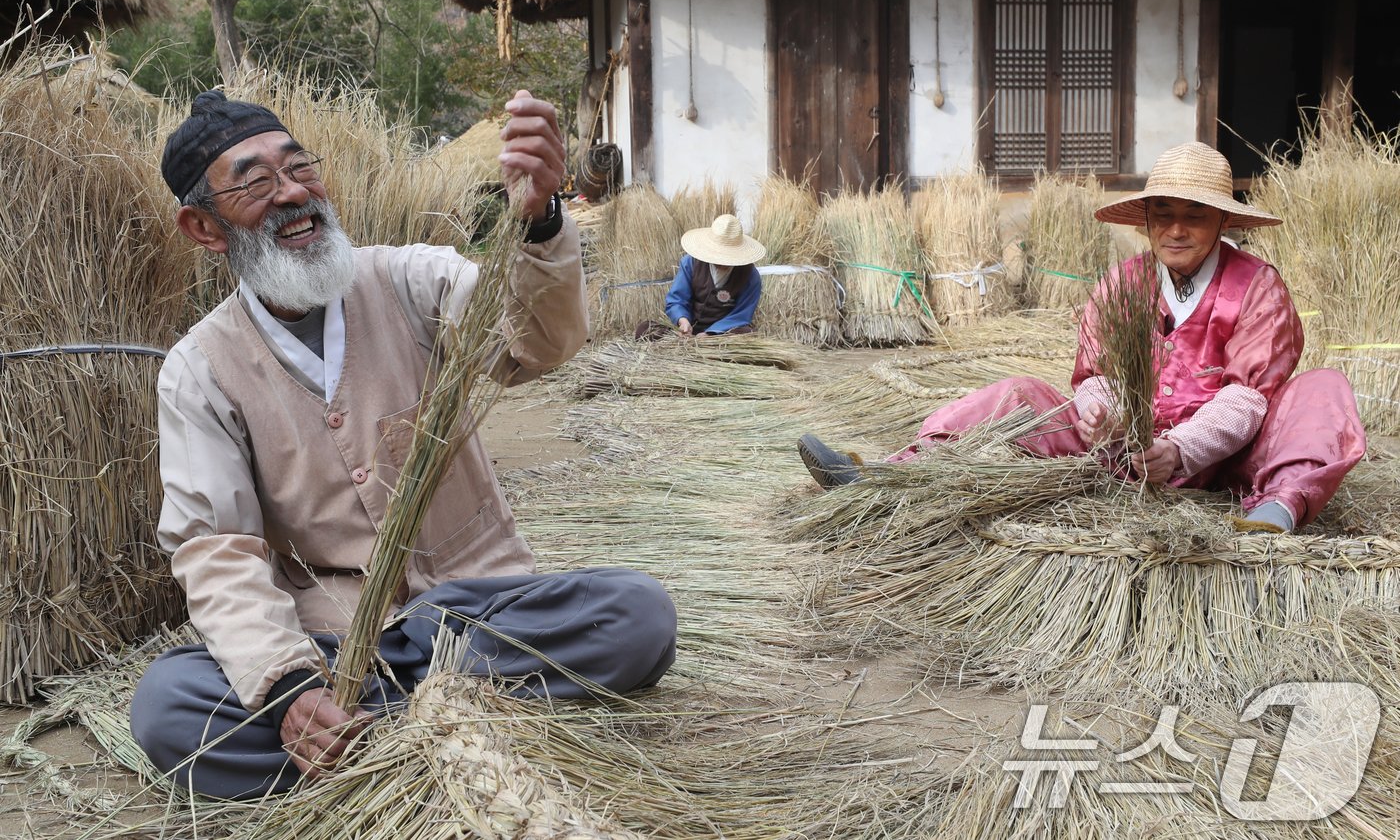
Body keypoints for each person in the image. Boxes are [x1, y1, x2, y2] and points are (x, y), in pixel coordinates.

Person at [130, 90, 677, 800]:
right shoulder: (200, 368)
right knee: (168, 706)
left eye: (300, 168)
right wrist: (291, 688)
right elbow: (216, 548)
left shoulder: (410, 278)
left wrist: (539, 221)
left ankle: (381, 743)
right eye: (257, 182)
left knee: (637, 614)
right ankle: (441, 725)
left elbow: (537, 340)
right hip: (336, 648)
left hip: (481, 617)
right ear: (203, 227)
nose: (293, 193)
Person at [798, 142, 1366, 534]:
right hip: (1119, 450)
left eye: (1194, 215)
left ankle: (1277, 514)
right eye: (1161, 213)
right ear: (1144, 220)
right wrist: (1103, 416)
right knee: (1017, 393)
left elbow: (1247, 398)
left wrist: (1180, 449)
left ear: (1223, 222)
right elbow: (1096, 374)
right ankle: (887, 473)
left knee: (1321, 389)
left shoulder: (1257, 287)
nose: (1175, 229)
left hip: (1227, 459)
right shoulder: (1125, 281)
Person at [635, 214, 766, 340]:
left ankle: (709, 345)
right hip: (689, 329)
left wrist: (711, 334)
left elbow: (742, 315)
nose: (722, 261)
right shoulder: (691, 263)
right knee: (645, 330)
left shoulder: (750, 275)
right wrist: (683, 321)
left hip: (723, 333)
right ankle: (687, 341)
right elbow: (677, 299)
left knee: (746, 334)